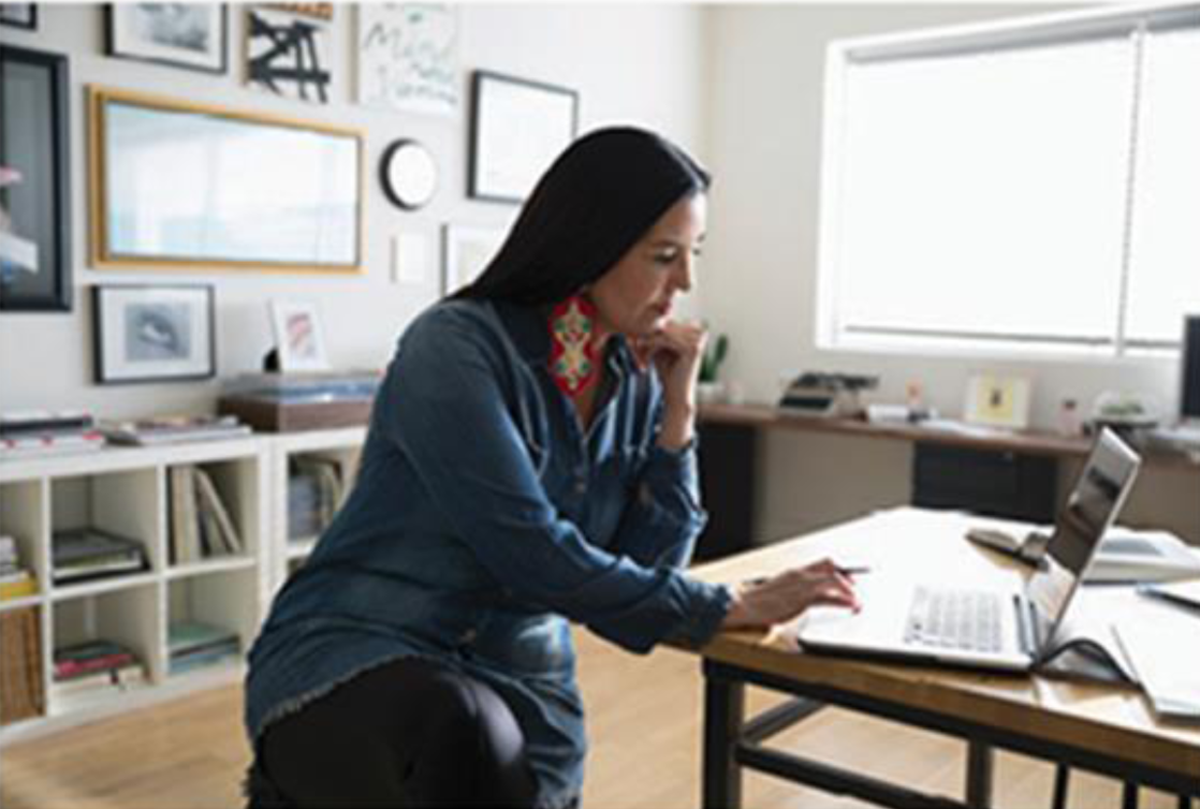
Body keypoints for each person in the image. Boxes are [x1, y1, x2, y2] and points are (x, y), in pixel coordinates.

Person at [242, 127, 860, 809]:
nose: (684, 282)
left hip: (522, 687)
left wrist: (676, 418)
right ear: (589, 244)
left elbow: (648, 566)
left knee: (488, 742)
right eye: (663, 256)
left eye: (692, 256)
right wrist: (729, 604)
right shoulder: (452, 348)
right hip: (359, 651)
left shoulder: (637, 377)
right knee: (467, 731)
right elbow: (529, 552)